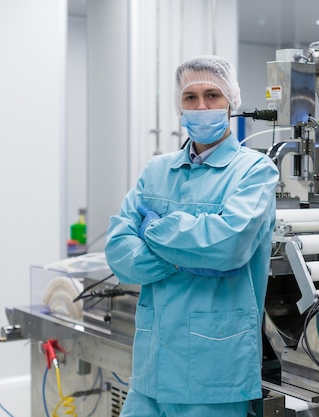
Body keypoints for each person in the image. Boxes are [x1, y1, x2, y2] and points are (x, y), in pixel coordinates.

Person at [104, 55, 279, 417]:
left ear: (231, 101)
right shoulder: (156, 170)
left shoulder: (255, 171)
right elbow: (119, 251)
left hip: (214, 373)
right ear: (179, 106)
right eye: (190, 98)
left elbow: (228, 247)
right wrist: (189, 255)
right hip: (151, 368)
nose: (201, 106)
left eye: (212, 95)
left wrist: (152, 230)